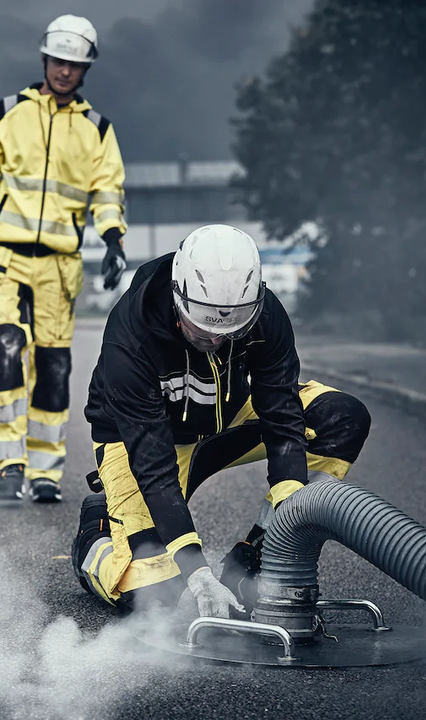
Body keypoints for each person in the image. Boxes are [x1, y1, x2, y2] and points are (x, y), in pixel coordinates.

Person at [71, 224, 372, 617]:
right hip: (139, 441)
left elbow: (282, 417)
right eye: (204, 329)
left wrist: (286, 518)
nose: (217, 341)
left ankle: (258, 557)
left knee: (342, 418)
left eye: (232, 331)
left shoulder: (265, 314)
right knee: (152, 595)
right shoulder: (129, 338)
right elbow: (153, 464)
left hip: (227, 420)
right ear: (179, 299)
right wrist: (197, 574)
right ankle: (94, 540)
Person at [0, 14, 128, 504]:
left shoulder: (97, 130)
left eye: (75, 64)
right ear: (44, 59)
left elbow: (107, 191)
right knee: (2, 350)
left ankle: (44, 473)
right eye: (59, 61)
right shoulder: (5, 114)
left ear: (86, 70)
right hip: (2, 257)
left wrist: (113, 239)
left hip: (59, 268)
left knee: (54, 367)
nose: (65, 71)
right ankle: (10, 467)